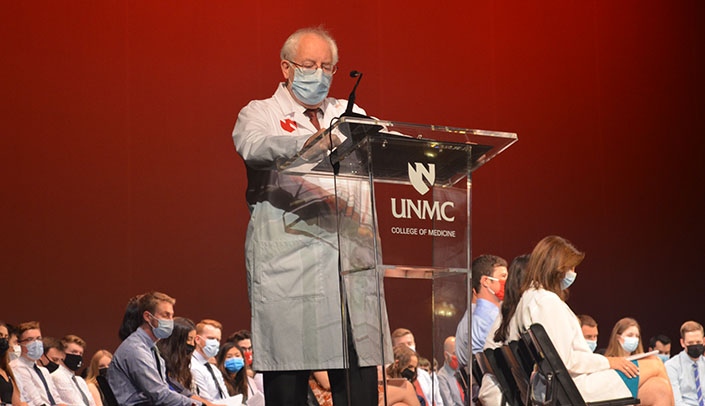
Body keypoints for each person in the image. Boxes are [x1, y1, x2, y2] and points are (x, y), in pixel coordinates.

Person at [231, 26, 391, 406]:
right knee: (290, 387)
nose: (318, 74)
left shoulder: (345, 113)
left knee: (358, 391)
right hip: (293, 272)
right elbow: (254, 147)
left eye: (327, 66)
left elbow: (384, 146)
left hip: (350, 273)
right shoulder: (260, 112)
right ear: (286, 68)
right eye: (309, 64)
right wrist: (310, 143)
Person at [502, 235, 673, 404]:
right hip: (577, 386)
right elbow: (567, 360)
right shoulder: (547, 302)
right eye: (571, 268)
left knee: (660, 390)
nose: (573, 274)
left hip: (564, 384)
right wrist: (610, 362)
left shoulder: (529, 298)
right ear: (558, 268)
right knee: (656, 363)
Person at [107, 291, 214, 406]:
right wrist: (197, 405)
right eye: (165, 315)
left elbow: (164, 390)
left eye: (172, 316)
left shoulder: (151, 347)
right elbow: (159, 395)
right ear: (148, 317)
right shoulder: (136, 349)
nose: (170, 321)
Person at [11, 322, 67, 406]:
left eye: (38, 338)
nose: (36, 343)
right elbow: (35, 402)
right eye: (30, 339)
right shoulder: (17, 368)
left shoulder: (43, 370)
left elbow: (56, 399)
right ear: (20, 343)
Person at [391, 329, 442, 406]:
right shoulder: (390, 379)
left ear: (414, 344)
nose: (407, 348)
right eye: (402, 345)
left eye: (409, 343)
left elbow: (437, 402)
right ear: (394, 348)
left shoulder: (424, 375)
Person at [665, 320, 705, 405]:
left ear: (704, 341)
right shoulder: (672, 366)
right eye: (690, 343)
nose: (695, 345)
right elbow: (676, 402)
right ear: (682, 343)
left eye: (698, 342)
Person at [50, 335, 95, 406]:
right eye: (74, 352)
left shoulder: (80, 380)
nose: (78, 356)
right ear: (61, 354)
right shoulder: (57, 376)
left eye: (80, 353)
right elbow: (76, 404)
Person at [157, 317, 197, 394]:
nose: (192, 344)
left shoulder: (184, 362)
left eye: (193, 340)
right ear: (177, 339)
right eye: (189, 339)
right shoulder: (160, 360)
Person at [191, 319, 228, 402]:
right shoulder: (192, 366)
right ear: (197, 339)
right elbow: (205, 400)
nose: (215, 343)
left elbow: (226, 396)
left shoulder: (214, 369)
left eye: (218, 340)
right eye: (211, 338)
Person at [0, 321, 24, 405]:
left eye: (6, 337)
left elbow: (17, 402)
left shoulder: (6, 370)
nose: (3, 340)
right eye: (0, 335)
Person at [436, 337, 463, 406]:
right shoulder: (441, 377)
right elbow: (449, 404)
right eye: (455, 353)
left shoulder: (464, 372)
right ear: (446, 355)